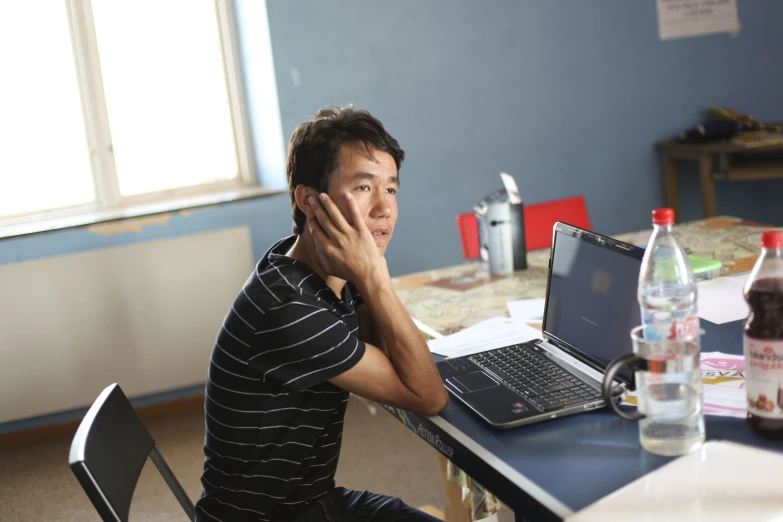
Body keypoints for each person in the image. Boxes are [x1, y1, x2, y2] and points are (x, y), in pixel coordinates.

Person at [195, 106, 449, 522]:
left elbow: (375, 347)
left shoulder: (302, 265)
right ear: (309, 201)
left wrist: (365, 275)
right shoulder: (289, 308)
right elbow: (429, 396)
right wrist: (375, 278)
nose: (384, 208)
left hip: (309, 502)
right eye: (364, 188)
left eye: (391, 189)